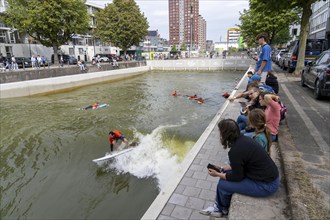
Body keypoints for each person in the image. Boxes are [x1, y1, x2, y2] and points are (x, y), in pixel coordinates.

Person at [199, 119, 279, 217]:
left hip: (267, 185)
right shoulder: (244, 140)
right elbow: (240, 164)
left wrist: (217, 174)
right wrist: (221, 168)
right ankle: (220, 206)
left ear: (225, 134)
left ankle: (219, 209)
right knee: (224, 179)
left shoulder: (235, 151)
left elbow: (237, 177)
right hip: (269, 178)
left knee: (222, 184)